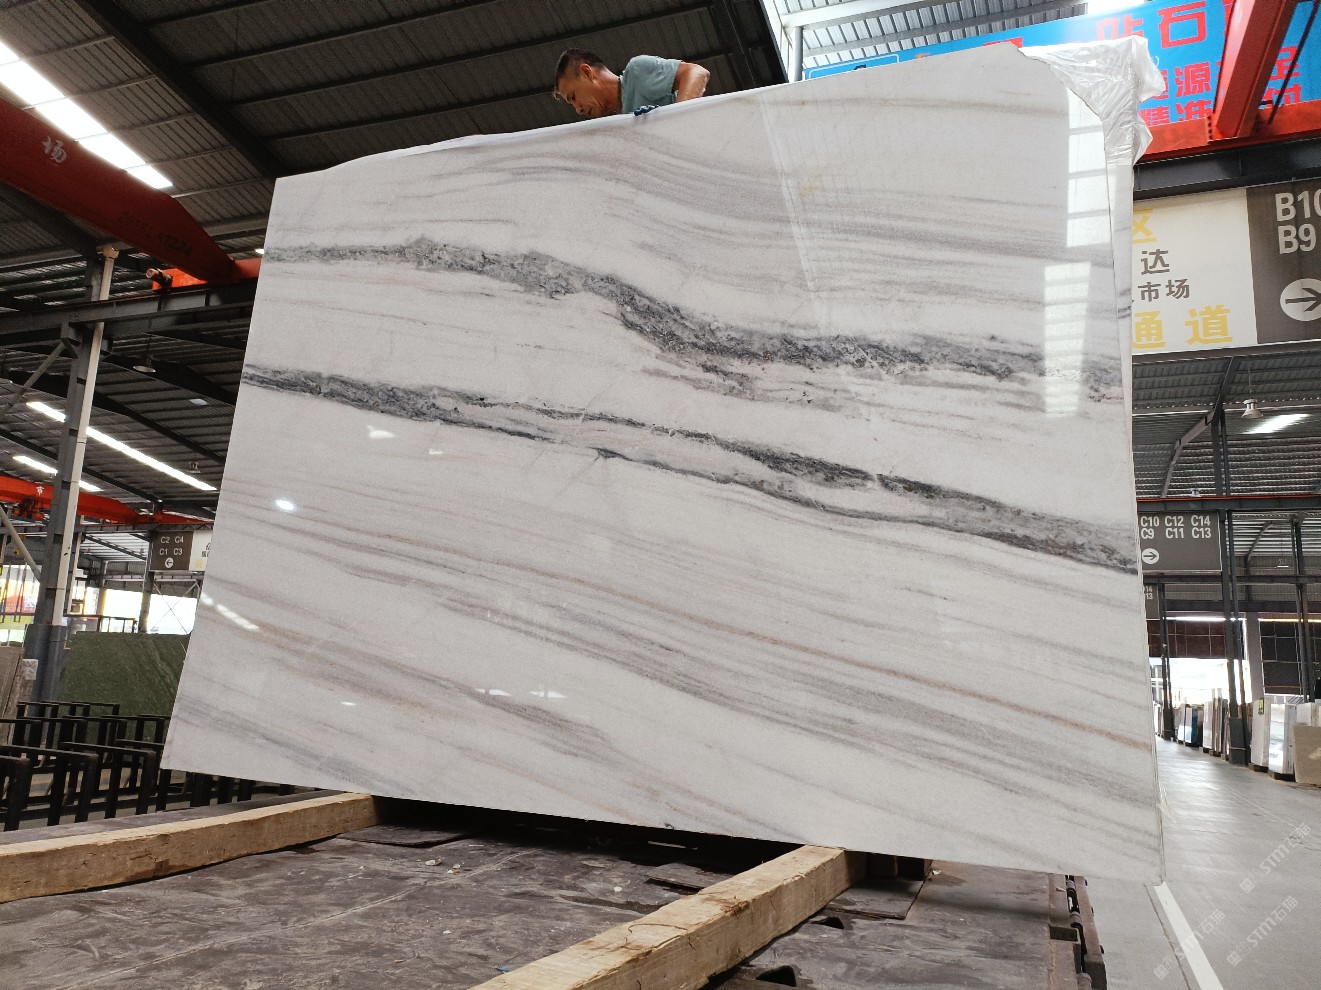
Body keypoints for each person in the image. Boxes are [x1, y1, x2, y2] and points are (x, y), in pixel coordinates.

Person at [553, 48, 710, 117]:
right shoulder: (617, 125)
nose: (578, 110)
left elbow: (696, 72)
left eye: (574, 97)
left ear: (587, 73)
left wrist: (677, 118)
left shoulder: (637, 72)